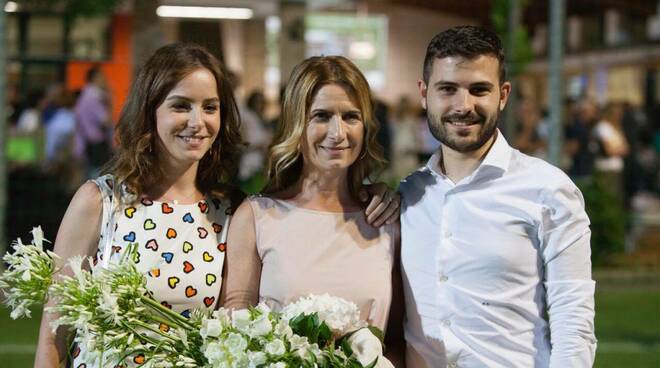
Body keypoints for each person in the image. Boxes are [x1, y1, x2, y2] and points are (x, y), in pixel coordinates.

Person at [34, 43, 243, 367]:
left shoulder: (230, 214)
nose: (197, 121)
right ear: (150, 111)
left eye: (210, 107)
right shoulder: (100, 201)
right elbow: (54, 333)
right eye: (181, 106)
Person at [400, 26, 596, 367]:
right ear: (424, 93)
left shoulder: (548, 189)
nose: (464, 106)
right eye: (447, 89)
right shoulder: (408, 194)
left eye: (479, 90)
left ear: (503, 95)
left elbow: (574, 322)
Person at [223, 55, 404, 366]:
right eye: (321, 116)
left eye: (351, 116)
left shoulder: (386, 220)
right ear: (296, 122)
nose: (338, 132)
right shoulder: (257, 217)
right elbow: (234, 326)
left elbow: (399, 340)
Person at [74, 64, 113, 178]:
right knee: (98, 178)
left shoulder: (85, 95)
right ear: (95, 78)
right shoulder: (94, 97)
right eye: (102, 76)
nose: (105, 79)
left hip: (88, 142)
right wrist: (110, 99)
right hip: (96, 144)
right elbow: (106, 120)